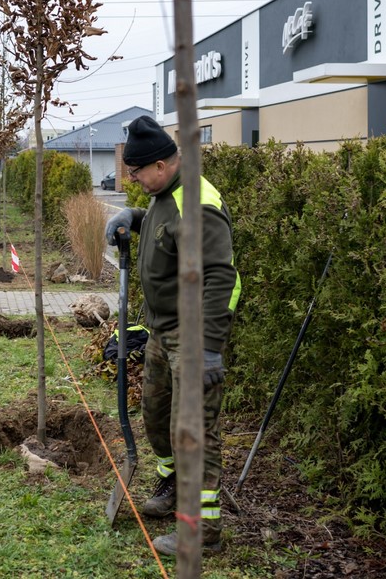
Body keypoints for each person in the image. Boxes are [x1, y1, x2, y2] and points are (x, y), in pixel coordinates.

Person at [104, 115, 240, 556]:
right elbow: (169, 228)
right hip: (163, 330)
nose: (134, 179)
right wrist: (137, 218)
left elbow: (221, 277)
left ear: (162, 165)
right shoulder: (167, 193)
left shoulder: (199, 204)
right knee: (156, 416)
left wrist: (209, 349)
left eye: (138, 172)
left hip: (193, 334)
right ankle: (172, 487)